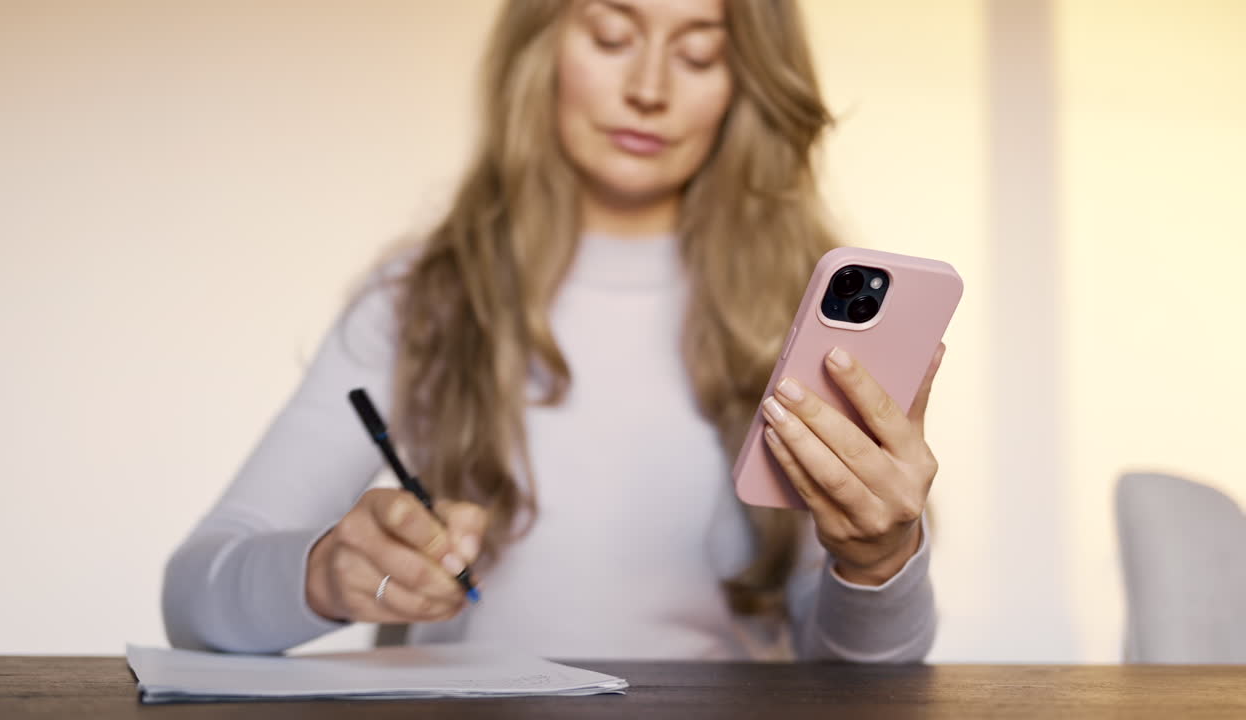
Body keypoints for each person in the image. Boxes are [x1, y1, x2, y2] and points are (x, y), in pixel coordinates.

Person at [163, 0, 943, 661]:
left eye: (700, 55)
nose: (647, 89)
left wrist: (877, 563)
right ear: (543, 47)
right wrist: (322, 574)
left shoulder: (809, 318)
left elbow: (859, 675)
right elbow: (195, 597)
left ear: (745, 85)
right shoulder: (423, 299)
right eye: (611, 36)